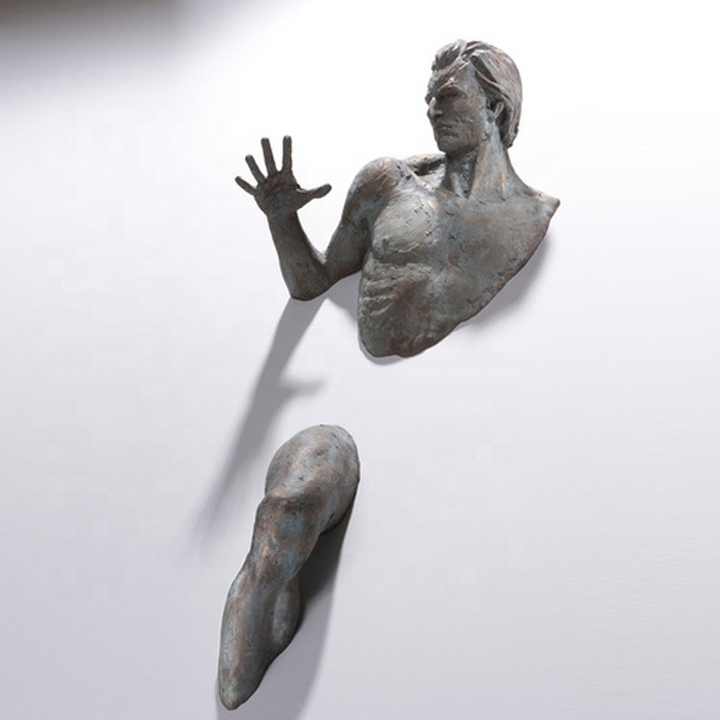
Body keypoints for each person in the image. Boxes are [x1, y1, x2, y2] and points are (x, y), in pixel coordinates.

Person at [236, 39, 559, 357]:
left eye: (448, 96)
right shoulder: (387, 183)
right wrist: (281, 219)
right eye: (430, 99)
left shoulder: (533, 214)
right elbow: (312, 283)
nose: (433, 111)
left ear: (495, 109)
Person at [217, 425, 359, 709]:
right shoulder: (283, 512)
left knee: (267, 568)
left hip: (319, 482)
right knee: (264, 571)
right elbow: (233, 690)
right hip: (311, 483)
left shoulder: (293, 509)